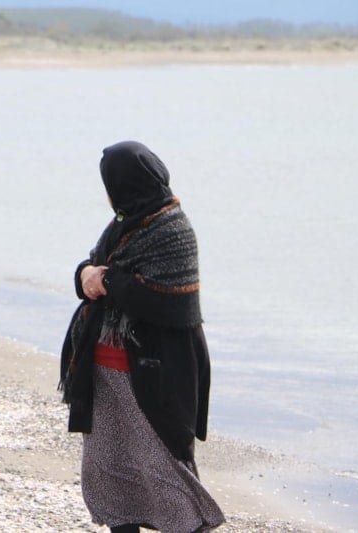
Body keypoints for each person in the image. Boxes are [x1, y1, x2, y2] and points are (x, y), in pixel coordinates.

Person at [59, 141, 225, 533]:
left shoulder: (172, 230)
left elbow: (167, 303)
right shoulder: (123, 224)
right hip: (103, 373)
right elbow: (94, 269)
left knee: (164, 467)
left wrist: (104, 279)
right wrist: (86, 275)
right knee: (109, 466)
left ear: (126, 184)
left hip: (152, 375)